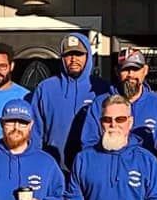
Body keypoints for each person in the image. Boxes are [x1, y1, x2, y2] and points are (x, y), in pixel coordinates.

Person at [79, 48, 157, 157]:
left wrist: (145, 162)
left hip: (145, 171)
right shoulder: (100, 104)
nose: (130, 74)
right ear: (117, 71)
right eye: (125, 69)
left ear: (145, 70)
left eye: (135, 69)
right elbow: (89, 143)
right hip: (109, 170)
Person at [29, 31, 107, 170]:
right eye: (68, 55)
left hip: (93, 167)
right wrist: (35, 162)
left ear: (88, 56)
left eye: (78, 54)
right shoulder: (46, 88)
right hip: (53, 167)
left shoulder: (102, 89)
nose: (73, 59)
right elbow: (35, 131)